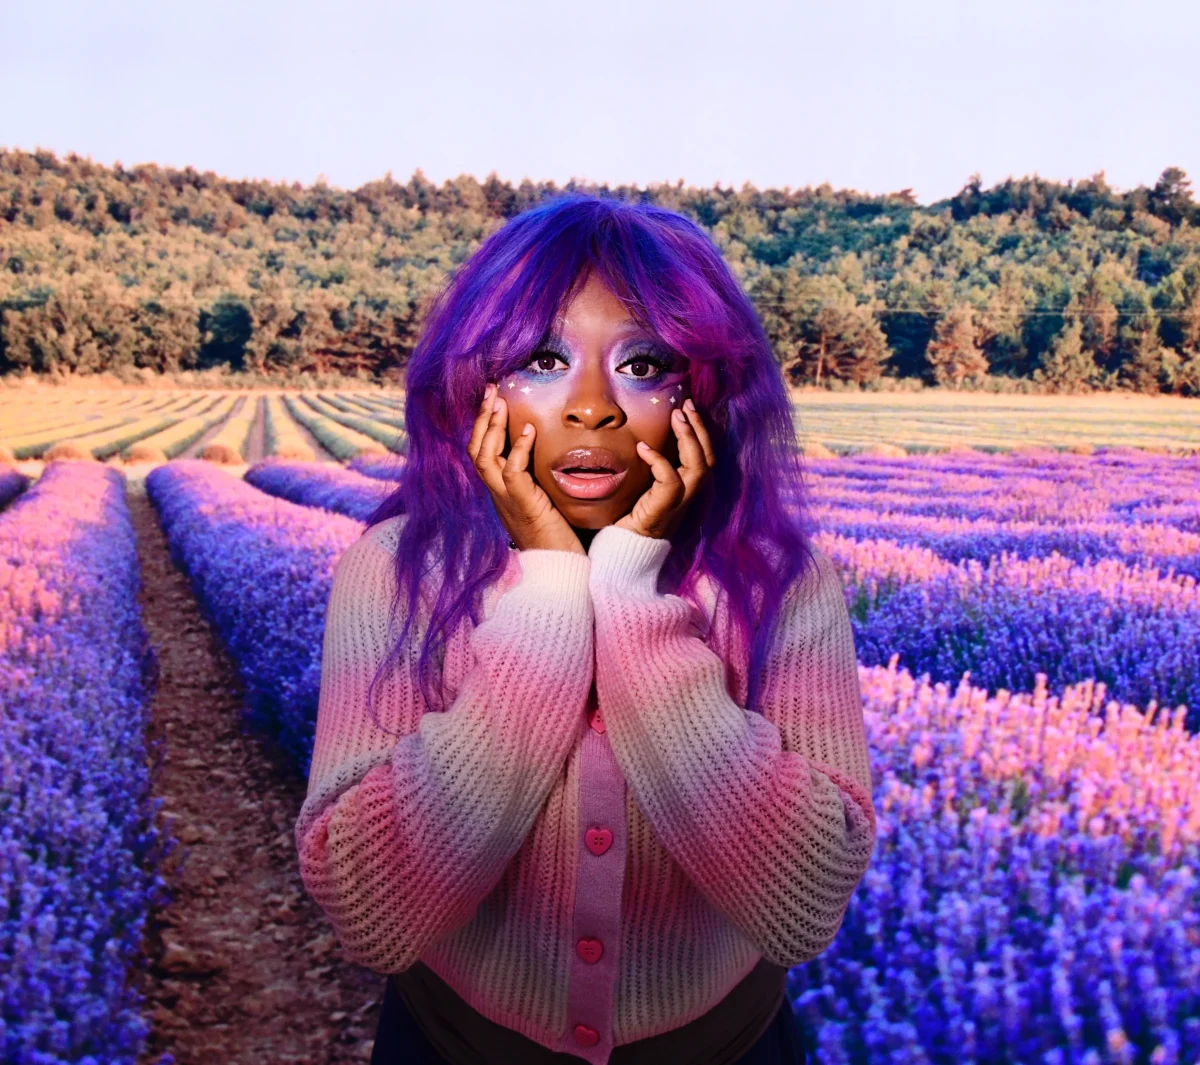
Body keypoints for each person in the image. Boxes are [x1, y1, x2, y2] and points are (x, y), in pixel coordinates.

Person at [294, 194, 877, 1065]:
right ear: (472, 384)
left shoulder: (781, 583)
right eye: (541, 358)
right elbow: (370, 911)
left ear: (710, 390)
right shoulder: (394, 572)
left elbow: (799, 904)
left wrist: (634, 596)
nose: (593, 407)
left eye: (644, 363)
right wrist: (549, 595)